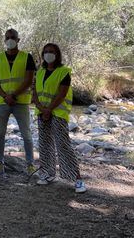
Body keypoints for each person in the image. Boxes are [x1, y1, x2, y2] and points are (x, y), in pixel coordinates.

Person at [33, 43, 86, 193]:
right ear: (43, 54)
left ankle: (78, 179)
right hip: (42, 112)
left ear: (57, 55)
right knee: (45, 144)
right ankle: (48, 174)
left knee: (63, 145)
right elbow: (35, 92)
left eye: (52, 52)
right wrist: (41, 108)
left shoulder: (64, 72)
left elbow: (62, 94)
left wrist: (49, 109)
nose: (49, 54)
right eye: (46, 51)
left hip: (58, 113)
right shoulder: (40, 71)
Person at [0, 29, 36, 176]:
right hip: (3, 102)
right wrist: (5, 96)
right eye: (7, 37)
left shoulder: (27, 57)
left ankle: (30, 165)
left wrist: (13, 95)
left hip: (21, 102)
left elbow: (29, 80)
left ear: (18, 39)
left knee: (26, 135)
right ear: (4, 40)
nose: (10, 40)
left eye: (13, 37)